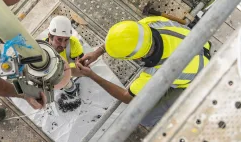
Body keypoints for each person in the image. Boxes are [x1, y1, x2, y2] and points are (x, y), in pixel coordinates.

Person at [76, 16, 211, 127]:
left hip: (201, 78)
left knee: (146, 118)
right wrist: (98, 51)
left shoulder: (155, 74)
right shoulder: (148, 24)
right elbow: (127, 36)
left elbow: (126, 96)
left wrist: (92, 75)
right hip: (202, 43)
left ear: (138, 57)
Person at [45, 16, 84, 95]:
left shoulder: (73, 43)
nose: (63, 45)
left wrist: (64, 72)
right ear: (49, 36)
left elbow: (83, 71)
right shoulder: (42, 50)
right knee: (68, 86)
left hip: (66, 76)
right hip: (54, 80)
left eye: (66, 40)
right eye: (59, 39)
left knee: (70, 87)